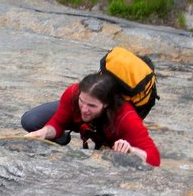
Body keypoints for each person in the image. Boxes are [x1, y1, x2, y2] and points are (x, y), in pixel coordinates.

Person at [20, 71, 161, 167]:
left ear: (106, 104)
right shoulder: (73, 93)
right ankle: (61, 139)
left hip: (107, 131)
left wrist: (131, 150)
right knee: (30, 121)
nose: (84, 109)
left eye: (92, 105)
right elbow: (57, 122)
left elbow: (154, 159)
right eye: (82, 101)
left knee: (112, 160)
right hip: (82, 123)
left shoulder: (126, 118)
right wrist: (43, 133)